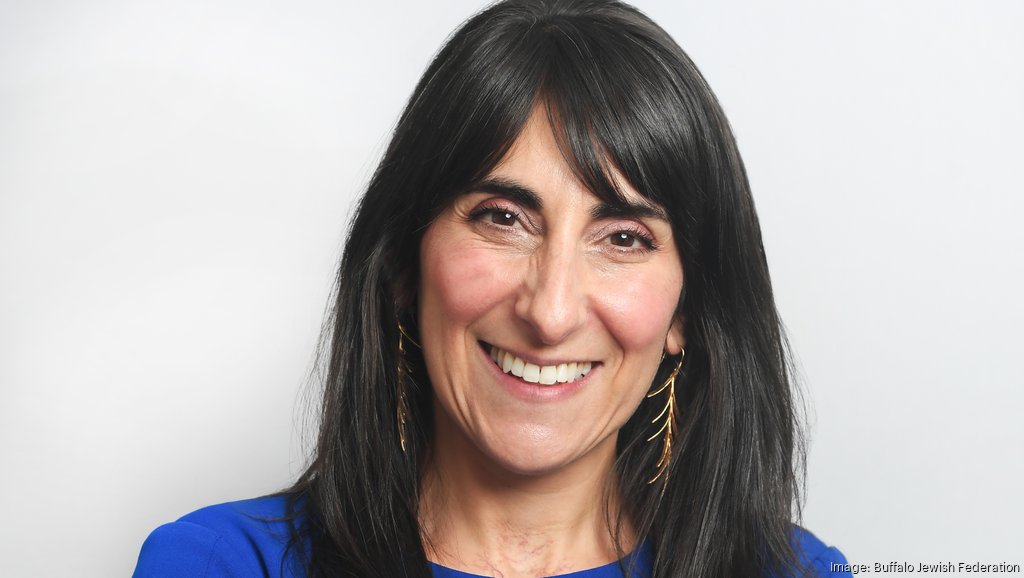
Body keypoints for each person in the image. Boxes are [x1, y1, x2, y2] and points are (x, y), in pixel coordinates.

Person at [133, 0, 853, 576]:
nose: (551, 312)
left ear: (685, 310)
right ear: (404, 266)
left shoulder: (796, 572)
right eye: (503, 219)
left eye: (623, 239)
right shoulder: (220, 564)